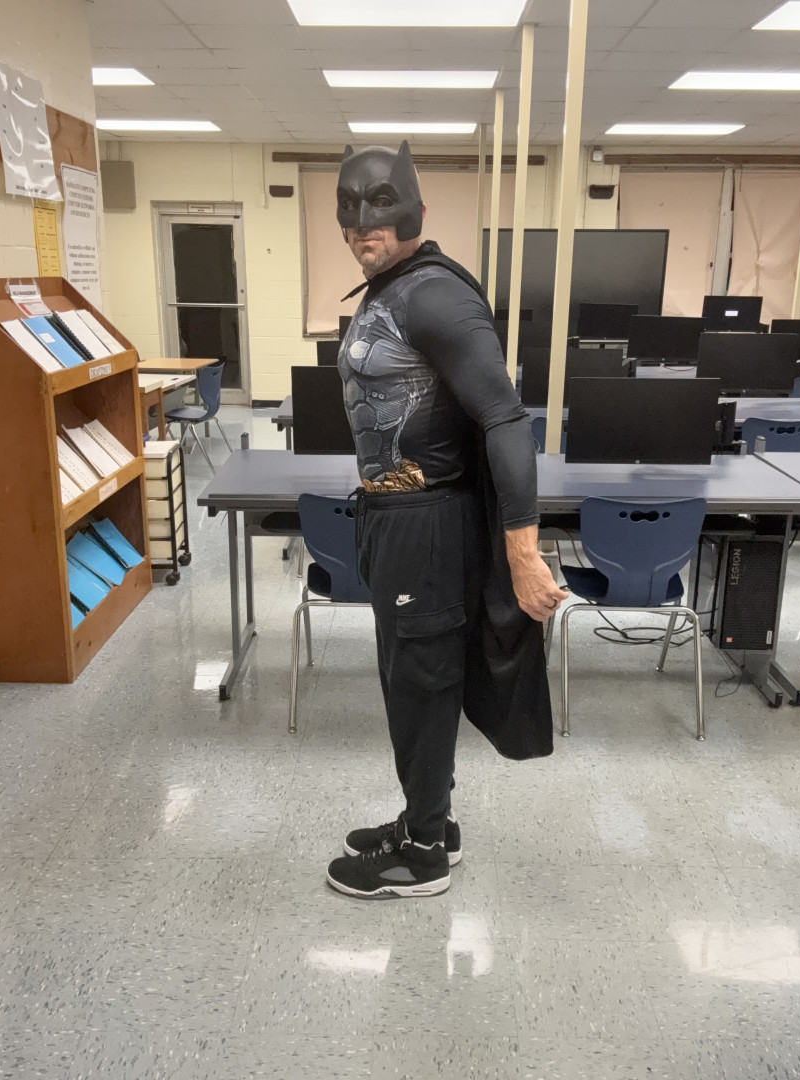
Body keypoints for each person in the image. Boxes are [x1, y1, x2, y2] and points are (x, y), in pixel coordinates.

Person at [325, 141, 568, 899]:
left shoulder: (434, 295)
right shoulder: (389, 288)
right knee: (410, 680)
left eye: (381, 203)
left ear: (417, 211)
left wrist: (523, 552)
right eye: (349, 206)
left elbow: (505, 418)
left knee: (424, 684)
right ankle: (428, 818)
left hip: (428, 525)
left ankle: (424, 853)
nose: (363, 222)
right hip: (395, 518)